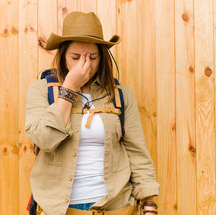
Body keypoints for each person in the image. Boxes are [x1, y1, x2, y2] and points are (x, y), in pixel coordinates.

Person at [25, 11, 159, 215]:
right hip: (60, 209)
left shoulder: (121, 94)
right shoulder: (41, 89)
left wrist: (149, 204)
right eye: (75, 57)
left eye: (92, 57)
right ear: (62, 56)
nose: (83, 64)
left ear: (102, 57)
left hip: (116, 206)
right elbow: (44, 139)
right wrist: (69, 87)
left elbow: (136, 151)